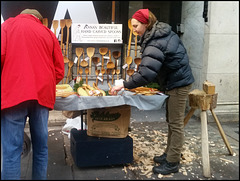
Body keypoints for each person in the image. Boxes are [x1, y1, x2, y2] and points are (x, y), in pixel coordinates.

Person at [110, 9, 195, 175]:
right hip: (174, 81)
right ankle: (170, 154)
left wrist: (125, 84)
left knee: (176, 124)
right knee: (172, 121)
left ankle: (172, 162)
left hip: (179, 83)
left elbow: (147, 73)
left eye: (136, 26)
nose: (133, 29)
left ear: (146, 24)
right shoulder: (158, 34)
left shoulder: (156, 41)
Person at [1, 9, 65, 180]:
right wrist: (46, 84)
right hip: (41, 97)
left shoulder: (7, 26)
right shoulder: (48, 33)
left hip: (14, 95)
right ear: (38, 19)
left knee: (12, 151)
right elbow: (59, 70)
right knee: (41, 148)